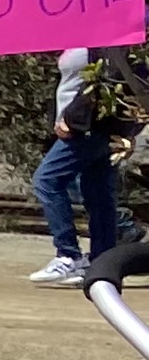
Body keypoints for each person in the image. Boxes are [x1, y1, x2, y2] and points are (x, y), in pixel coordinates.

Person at [34, 45, 140, 282]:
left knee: (47, 180)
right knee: (98, 193)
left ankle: (68, 256)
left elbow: (111, 84)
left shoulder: (108, 40)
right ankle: (103, 264)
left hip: (89, 129)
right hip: (93, 128)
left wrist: (72, 122)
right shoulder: (82, 37)